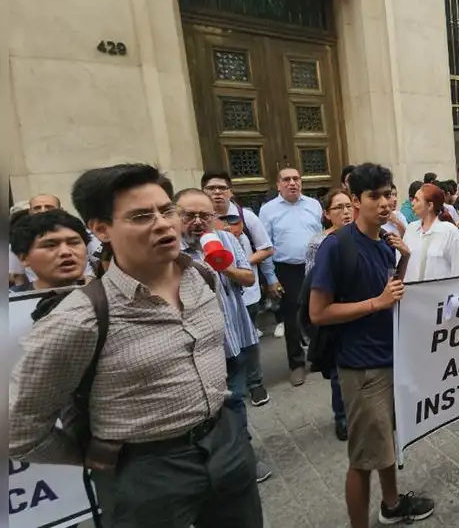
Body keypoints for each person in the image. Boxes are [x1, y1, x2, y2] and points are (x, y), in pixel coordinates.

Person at [10, 163, 263, 527]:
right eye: (142, 216)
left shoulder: (202, 279)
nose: (163, 223)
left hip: (226, 444)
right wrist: (102, 460)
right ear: (101, 229)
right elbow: (21, 430)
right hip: (144, 473)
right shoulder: (79, 318)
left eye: (166, 210)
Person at [308, 163, 433, 527]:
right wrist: (375, 303)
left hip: (388, 357)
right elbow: (319, 312)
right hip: (361, 368)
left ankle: (392, 505)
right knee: (363, 458)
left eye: (388, 194)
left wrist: (405, 259)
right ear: (355, 200)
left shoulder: (383, 243)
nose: (384, 203)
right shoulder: (337, 246)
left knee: (385, 443)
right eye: (374, 196)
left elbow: (391, 291)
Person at [175, 188, 272, 482]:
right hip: (195, 348)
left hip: (234, 338)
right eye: (188, 215)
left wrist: (222, 264)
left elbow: (248, 277)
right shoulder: (170, 251)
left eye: (204, 215)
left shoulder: (227, 239)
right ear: (174, 217)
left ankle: (243, 456)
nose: (197, 222)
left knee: (235, 400)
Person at [201, 171, 278, 407]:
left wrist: (240, 264)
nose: (217, 192)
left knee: (249, 340)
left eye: (222, 188)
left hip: (246, 292)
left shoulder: (247, 217)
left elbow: (266, 248)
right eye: (211, 188)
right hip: (213, 300)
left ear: (230, 192)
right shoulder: (199, 222)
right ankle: (231, 385)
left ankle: (255, 384)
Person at [259, 167, 324, 386]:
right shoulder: (268, 210)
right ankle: (296, 364)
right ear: (278, 184)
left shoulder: (314, 205)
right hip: (287, 270)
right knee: (292, 318)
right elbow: (264, 244)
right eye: (286, 179)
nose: (292, 183)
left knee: (318, 311)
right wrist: (270, 278)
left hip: (315, 266)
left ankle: (318, 357)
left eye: (296, 178)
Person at [305, 188, 355, 441]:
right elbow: (313, 284)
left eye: (349, 206)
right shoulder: (319, 243)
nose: (346, 212)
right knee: (339, 374)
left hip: (362, 311)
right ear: (327, 214)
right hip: (334, 314)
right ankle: (342, 417)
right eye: (339, 208)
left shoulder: (365, 236)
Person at [9, 209, 90, 293]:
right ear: (23, 258)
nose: (65, 252)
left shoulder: (103, 292)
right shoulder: (12, 301)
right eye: (50, 245)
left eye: (74, 243)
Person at [403, 183, 459, 281]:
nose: (412, 203)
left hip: (441, 293)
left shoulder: (450, 231)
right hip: (413, 293)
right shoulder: (410, 229)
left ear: (430, 205)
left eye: (417, 199)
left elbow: (458, 271)